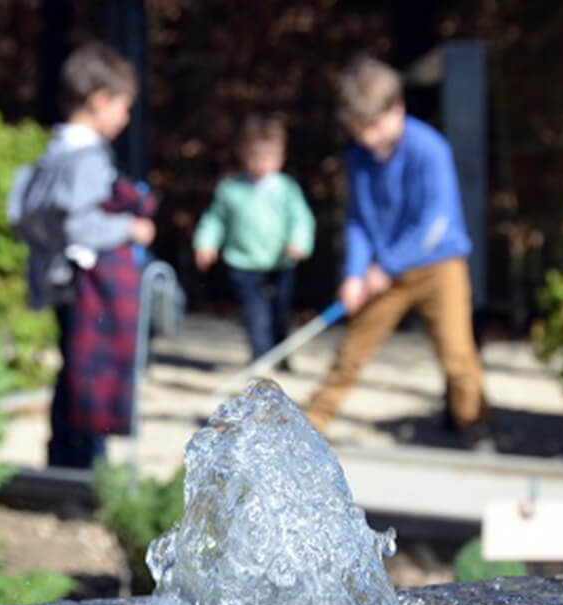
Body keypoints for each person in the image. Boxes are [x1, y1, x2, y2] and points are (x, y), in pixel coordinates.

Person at [303, 55, 491, 450]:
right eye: (357, 129)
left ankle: (471, 425)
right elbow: (358, 220)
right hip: (383, 273)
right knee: (351, 353)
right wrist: (354, 275)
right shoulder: (357, 159)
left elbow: (434, 224)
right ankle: (309, 428)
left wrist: (385, 266)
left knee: (458, 356)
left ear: (396, 110)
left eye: (371, 126)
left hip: (438, 267)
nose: (366, 137)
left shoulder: (430, 150)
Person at [7, 42, 155, 469]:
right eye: (123, 107)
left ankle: (62, 456)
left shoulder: (52, 152)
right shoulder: (88, 157)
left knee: (71, 368)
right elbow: (79, 223)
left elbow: (24, 213)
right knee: (92, 372)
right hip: (89, 284)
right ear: (99, 100)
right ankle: (86, 462)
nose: (125, 118)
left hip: (56, 277)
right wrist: (130, 227)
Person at [192, 115, 315, 369]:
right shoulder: (230, 189)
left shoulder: (286, 188)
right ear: (243, 154)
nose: (263, 163)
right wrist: (205, 244)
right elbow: (214, 221)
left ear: (281, 156)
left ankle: (281, 356)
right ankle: (261, 359)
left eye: (270, 156)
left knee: (280, 315)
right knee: (254, 315)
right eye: (256, 156)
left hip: (280, 264)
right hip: (244, 263)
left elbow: (301, 219)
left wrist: (299, 242)